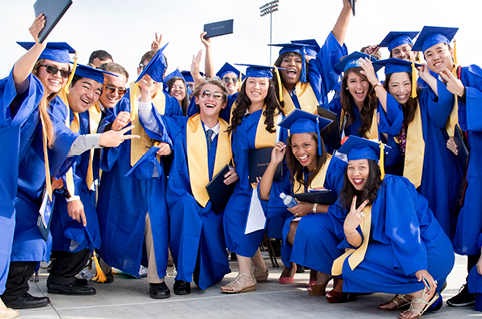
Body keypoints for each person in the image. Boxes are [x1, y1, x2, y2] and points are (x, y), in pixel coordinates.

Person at [330, 136, 454, 319]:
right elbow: (356, 245)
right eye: (351, 168)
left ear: (374, 168)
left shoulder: (393, 185)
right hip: (404, 256)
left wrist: (419, 267)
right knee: (349, 266)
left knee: (352, 262)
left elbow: (406, 230)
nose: (355, 173)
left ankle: (421, 292)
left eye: (362, 167)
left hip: (428, 253)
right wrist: (349, 229)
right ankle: (410, 291)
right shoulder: (355, 197)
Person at [96, 45, 180, 299]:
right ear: (138, 70)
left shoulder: (171, 102)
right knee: (112, 216)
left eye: (155, 77)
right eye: (145, 72)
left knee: (154, 222)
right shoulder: (122, 95)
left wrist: (170, 145)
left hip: (152, 173)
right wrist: (112, 124)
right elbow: (102, 122)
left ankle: (156, 279)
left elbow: (178, 133)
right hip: (121, 169)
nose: (149, 81)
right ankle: (102, 266)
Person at [47, 64, 134, 295]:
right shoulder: (65, 106)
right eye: (108, 88)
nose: (113, 95)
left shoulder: (93, 111)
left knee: (84, 229)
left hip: (78, 183)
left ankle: (63, 276)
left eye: (121, 91)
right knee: (83, 228)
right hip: (66, 182)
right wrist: (71, 194)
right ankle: (60, 278)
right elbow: (66, 147)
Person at [412, 26, 482, 307]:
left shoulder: (471, 72)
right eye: (429, 54)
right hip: (469, 164)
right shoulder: (436, 82)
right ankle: (473, 287)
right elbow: (442, 121)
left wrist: (464, 92)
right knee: (472, 223)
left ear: (450, 50)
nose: (435, 56)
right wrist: (430, 81)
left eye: (439, 50)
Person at [361, 57, 461, 241]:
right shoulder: (384, 105)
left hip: (435, 168)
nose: (401, 91)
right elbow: (393, 118)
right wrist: (375, 83)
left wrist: (427, 76)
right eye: (394, 85)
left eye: (407, 83)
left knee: (438, 222)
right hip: (410, 176)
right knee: (415, 227)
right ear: (387, 87)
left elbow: (446, 100)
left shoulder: (424, 97)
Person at [154, 78, 238, 294]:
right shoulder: (181, 125)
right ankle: (182, 277)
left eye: (217, 96)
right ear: (197, 99)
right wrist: (147, 93)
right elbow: (150, 120)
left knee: (212, 225)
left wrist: (238, 171)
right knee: (188, 208)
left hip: (216, 197)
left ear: (224, 104)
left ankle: (203, 269)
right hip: (183, 192)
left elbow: (243, 161)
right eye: (205, 94)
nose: (211, 99)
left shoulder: (232, 133)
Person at [258, 109, 346, 294]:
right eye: (295, 146)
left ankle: (334, 272)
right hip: (313, 224)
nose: (301, 151)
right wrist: (274, 162)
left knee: (307, 225)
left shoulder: (335, 167)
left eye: (306, 145)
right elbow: (265, 194)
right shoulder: (297, 172)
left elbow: (345, 208)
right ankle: (324, 270)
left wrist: (311, 208)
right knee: (291, 227)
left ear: (318, 144)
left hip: (338, 225)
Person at [220, 64, 286, 293]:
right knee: (234, 217)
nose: (256, 87)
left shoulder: (278, 118)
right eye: (251, 82)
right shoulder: (239, 114)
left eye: (262, 83)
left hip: (267, 184)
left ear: (270, 87)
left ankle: (245, 275)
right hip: (244, 182)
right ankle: (258, 268)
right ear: (244, 85)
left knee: (238, 217)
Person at [270, 0, 352, 114]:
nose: (292, 63)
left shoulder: (316, 82)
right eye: (286, 60)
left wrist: (346, 8)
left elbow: (331, 49)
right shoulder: (269, 91)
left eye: (298, 61)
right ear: (278, 66)